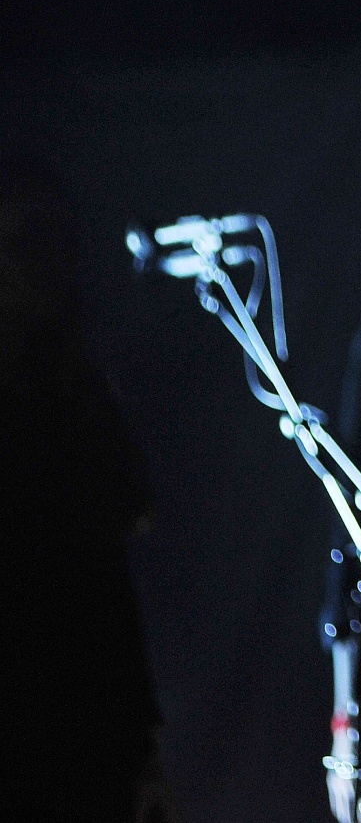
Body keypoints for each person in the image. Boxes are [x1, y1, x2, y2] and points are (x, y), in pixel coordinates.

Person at [3, 159, 176, 823]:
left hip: (85, 721)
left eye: (57, 245)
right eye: (24, 244)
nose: (45, 267)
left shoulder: (72, 386)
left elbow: (122, 529)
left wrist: (144, 745)